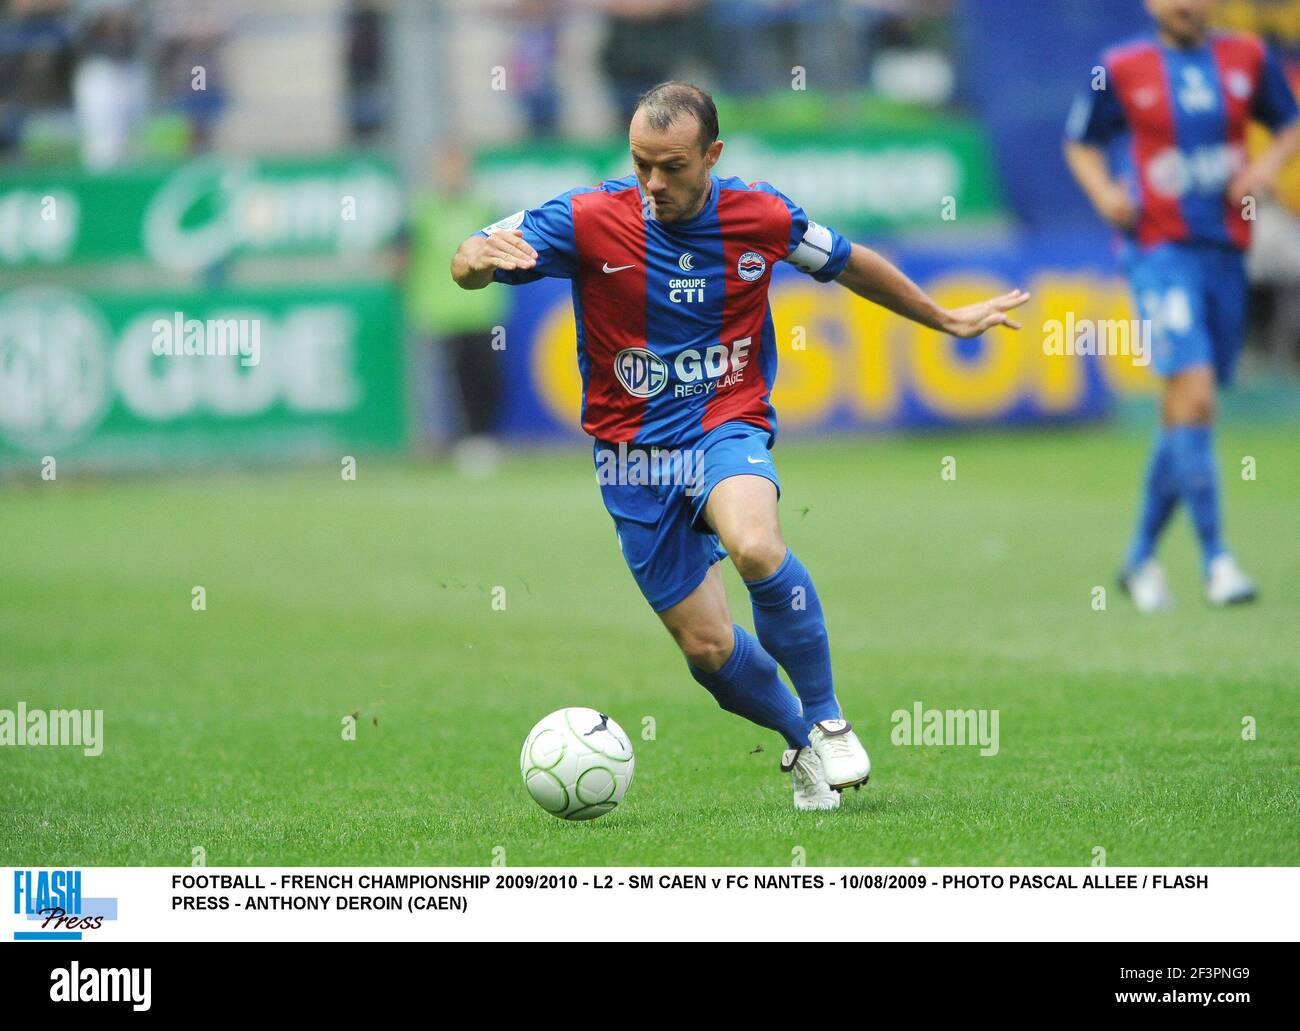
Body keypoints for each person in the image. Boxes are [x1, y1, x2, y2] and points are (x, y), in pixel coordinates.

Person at [451, 81, 1027, 809]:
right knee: (707, 648)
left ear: (712, 155)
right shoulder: (586, 217)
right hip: (632, 457)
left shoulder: (761, 212)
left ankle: (828, 715)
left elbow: (848, 262)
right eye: (641, 164)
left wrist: (942, 317)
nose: (654, 183)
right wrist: (476, 260)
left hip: (726, 419)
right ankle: (801, 741)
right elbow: (470, 255)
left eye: (673, 166)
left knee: (755, 544)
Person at [1064, 0, 1300, 612]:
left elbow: (1289, 121)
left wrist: (1266, 168)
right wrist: (1104, 193)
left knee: (1185, 409)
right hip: (1157, 250)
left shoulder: (1248, 56)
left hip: (1226, 250)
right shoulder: (1120, 66)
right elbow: (1080, 142)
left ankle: (1139, 559)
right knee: (1194, 394)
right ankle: (1217, 559)